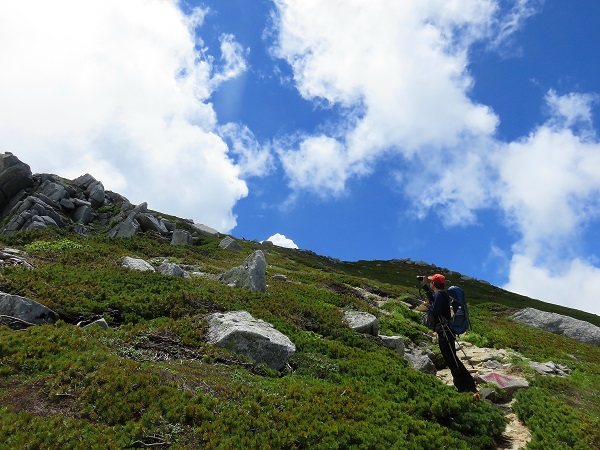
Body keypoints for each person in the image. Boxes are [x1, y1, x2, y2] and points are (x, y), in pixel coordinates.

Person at [422, 274, 477, 393]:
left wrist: (428, 306)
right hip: (446, 331)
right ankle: (466, 384)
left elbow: (436, 311)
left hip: (445, 332)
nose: (430, 283)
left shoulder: (440, 295)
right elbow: (433, 299)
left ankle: (466, 386)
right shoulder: (442, 294)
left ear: (434, 284)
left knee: (451, 359)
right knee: (451, 358)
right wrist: (424, 286)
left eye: (431, 282)